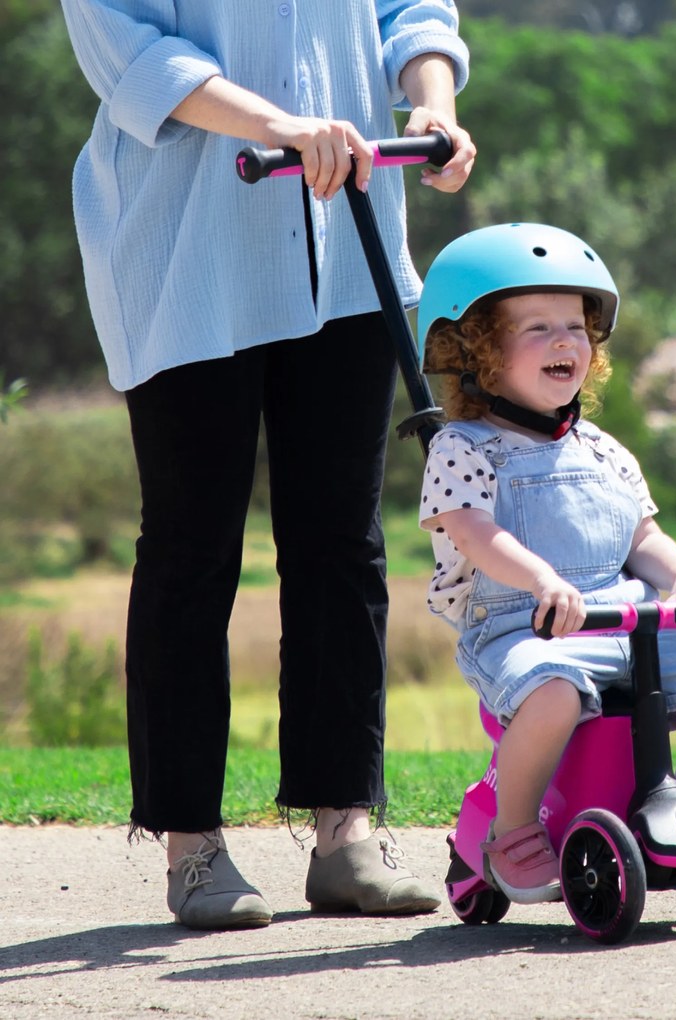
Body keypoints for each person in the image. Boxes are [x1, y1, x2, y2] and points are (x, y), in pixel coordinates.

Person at [59, 1, 476, 930]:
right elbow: (130, 54)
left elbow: (413, 11)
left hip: (349, 242)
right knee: (191, 549)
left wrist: (432, 104)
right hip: (187, 254)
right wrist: (281, 127)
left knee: (342, 545)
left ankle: (345, 835)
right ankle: (191, 844)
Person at [416, 223, 676, 904]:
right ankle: (511, 832)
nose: (564, 340)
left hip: (620, 620)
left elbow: (643, 537)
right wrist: (543, 580)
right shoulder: (462, 446)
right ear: (480, 353)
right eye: (537, 328)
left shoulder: (601, 448)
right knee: (556, 689)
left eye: (575, 325)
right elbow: (476, 535)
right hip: (520, 627)